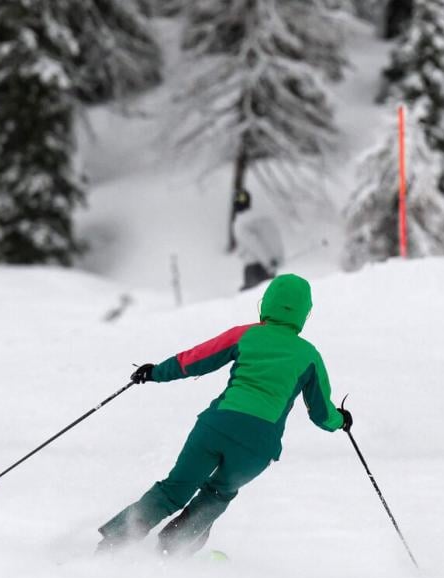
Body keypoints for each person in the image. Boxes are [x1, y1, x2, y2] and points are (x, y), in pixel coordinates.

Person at [97, 274, 350, 557]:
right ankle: (171, 552)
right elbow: (322, 414)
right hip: (258, 447)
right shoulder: (309, 356)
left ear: (266, 303)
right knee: (217, 495)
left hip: (216, 428)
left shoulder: (245, 335)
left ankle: (113, 543)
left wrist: (155, 372)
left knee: (174, 490)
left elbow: (195, 360)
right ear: (305, 313)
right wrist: (341, 420)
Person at [232, 189, 285, 291]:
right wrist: (276, 259)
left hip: (254, 267)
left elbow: (255, 244)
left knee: (254, 297)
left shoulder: (240, 223)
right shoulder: (263, 218)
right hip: (268, 267)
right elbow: (274, 238)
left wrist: (268, 261)